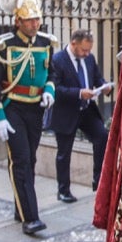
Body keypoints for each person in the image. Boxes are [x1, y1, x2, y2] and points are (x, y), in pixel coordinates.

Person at [0, 0, 54, 235]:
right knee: (22, 161)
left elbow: (51, 74)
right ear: (18, 20)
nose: (35, 24)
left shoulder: (46, 43)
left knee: (31, 160)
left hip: (35, 108)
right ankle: (31, 218)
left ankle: (20, 207)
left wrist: (50, 90)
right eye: (29, 20)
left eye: (37, 19)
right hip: (12, 107)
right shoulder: (4, 45)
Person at [47, 28, 109, 203]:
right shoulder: (58, 60)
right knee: (64, 152)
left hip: (87, 110)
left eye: (89, 50)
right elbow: (56, 89)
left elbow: (96, 77)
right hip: (67, 111)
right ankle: (63, 190)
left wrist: (104, 86)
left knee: (102, 137)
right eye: (84, 50)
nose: (87, 53)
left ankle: (99, 181)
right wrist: (79, 93)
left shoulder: (89, 58)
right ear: (73, 43)